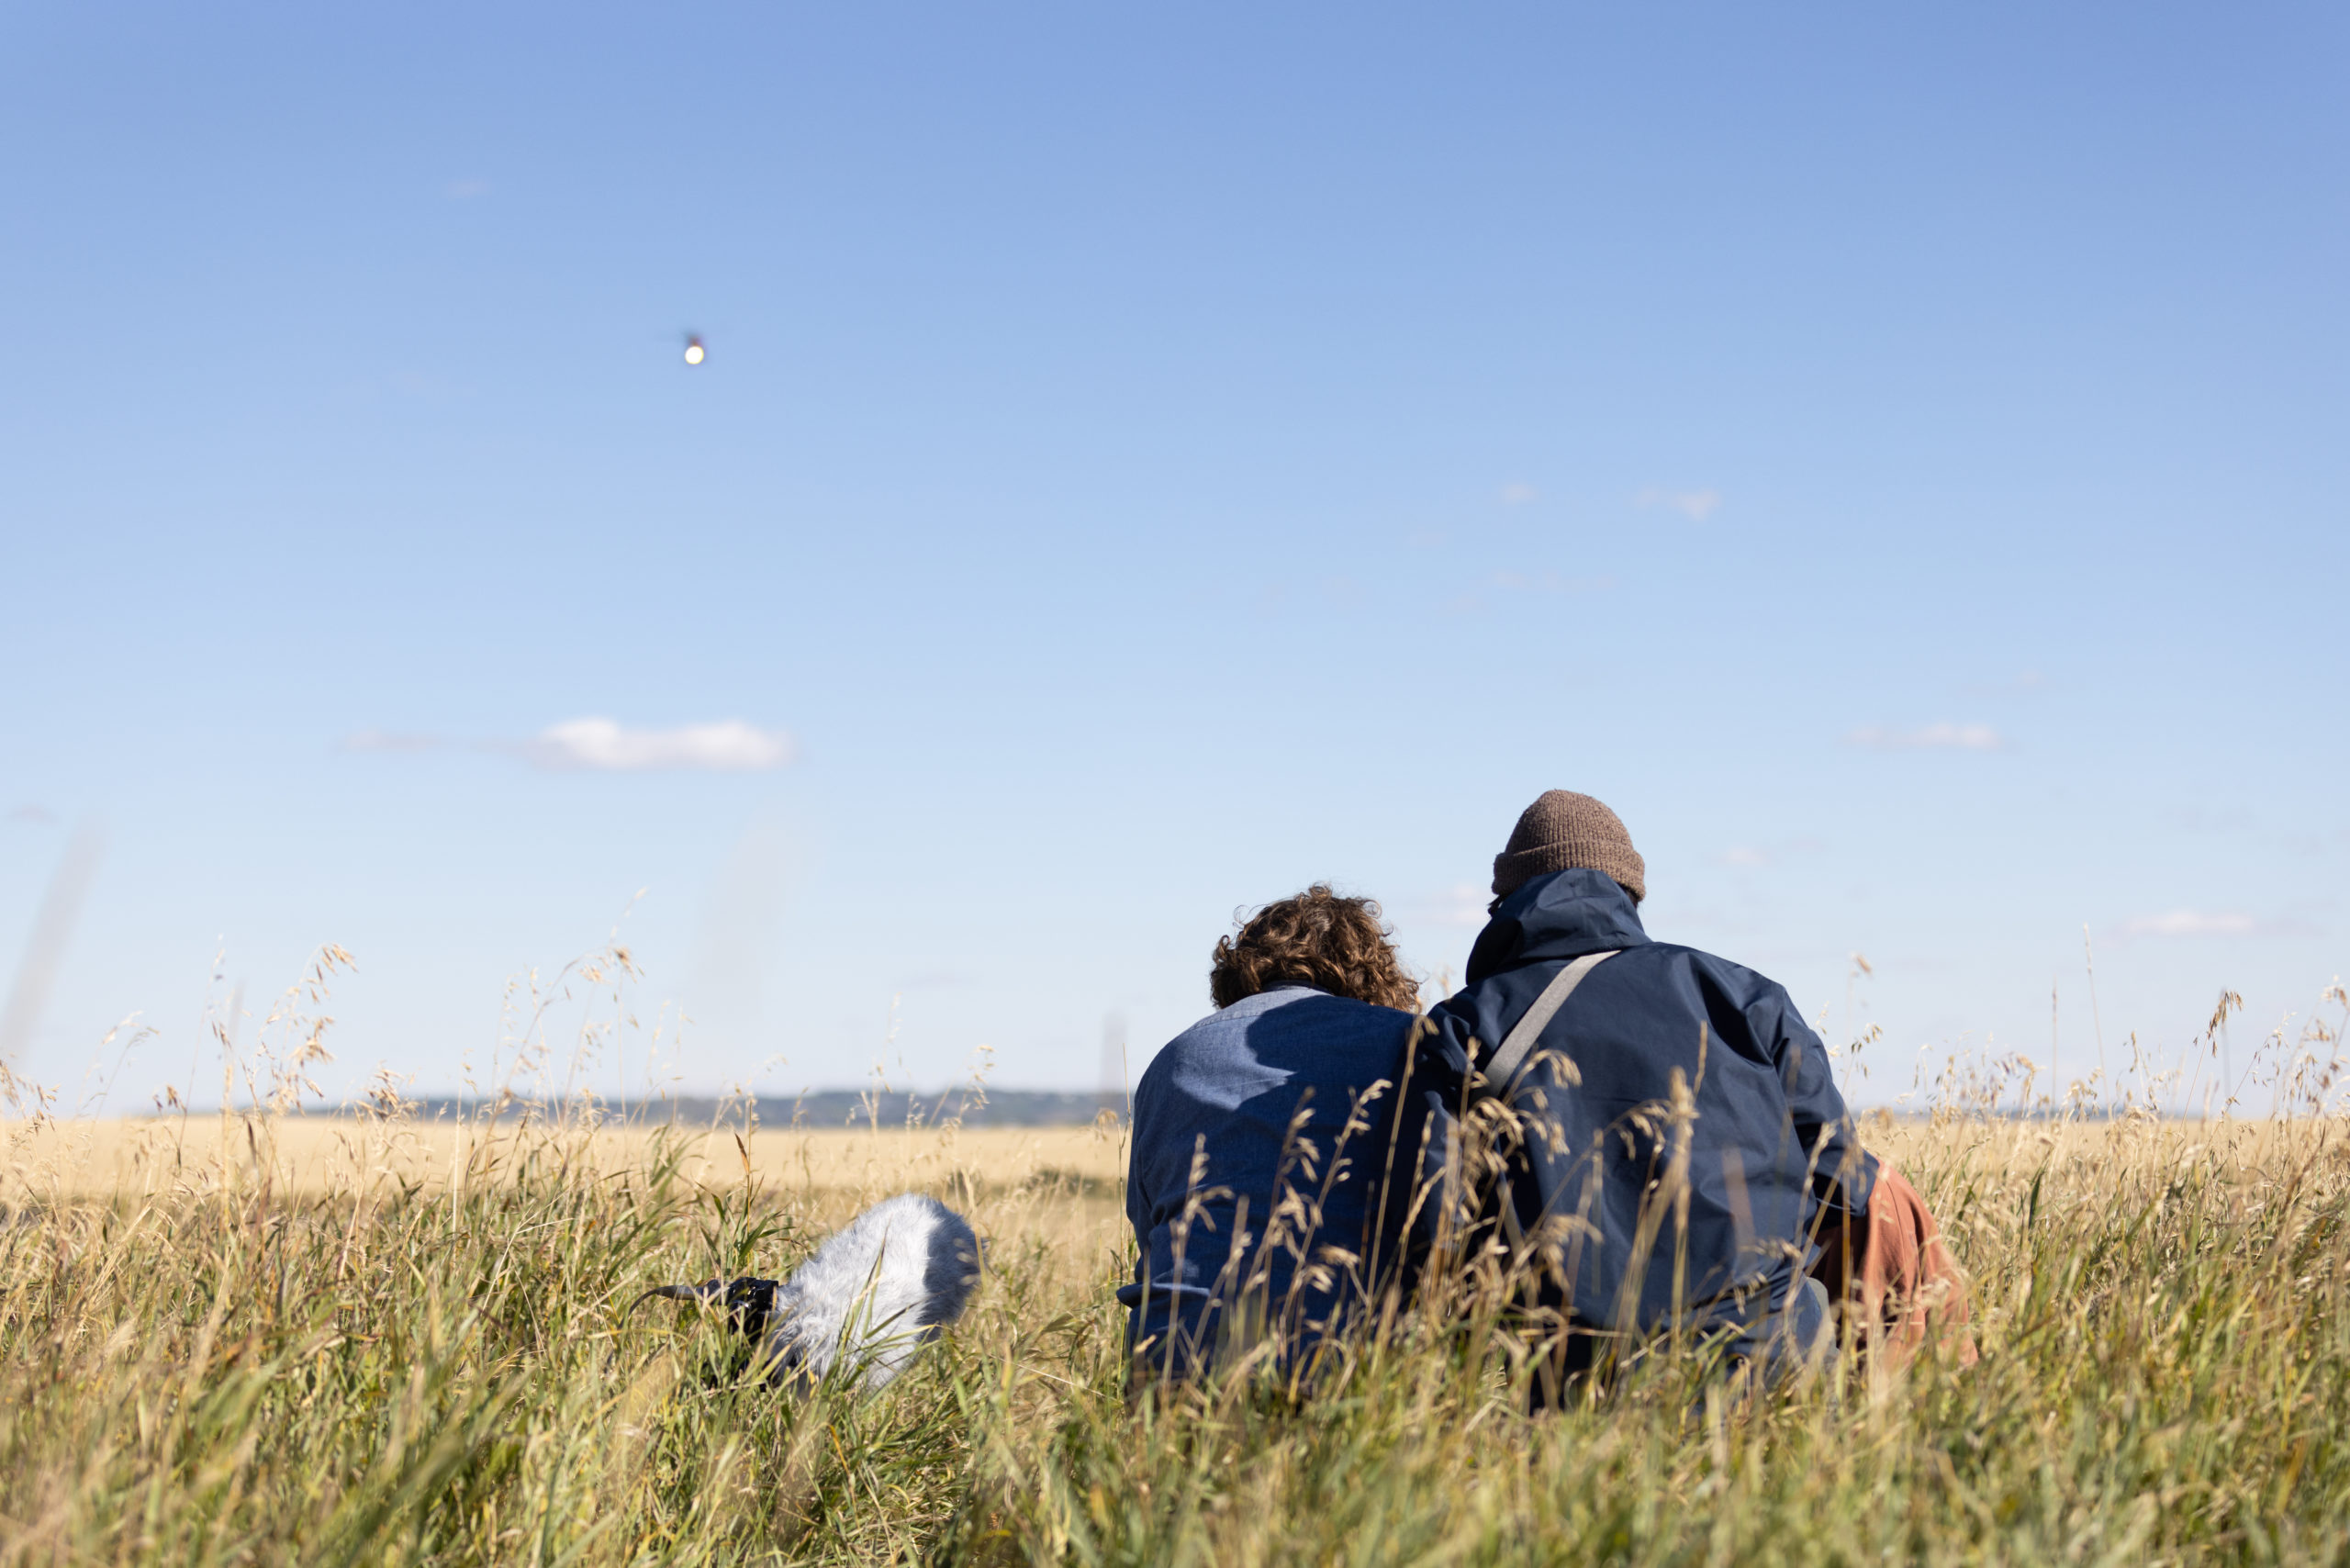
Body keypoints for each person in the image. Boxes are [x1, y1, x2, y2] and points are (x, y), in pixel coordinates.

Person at [1406, 790, 1966, 1388]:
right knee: (1887, 1192)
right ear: (1631, 894)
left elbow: (1431, 1231)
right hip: (1772, 1367)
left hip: (1573, 1388)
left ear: (1506, 901)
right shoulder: (1746, 998)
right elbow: (1848, 1185)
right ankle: (1932, 1424)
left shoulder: (1462, 1027)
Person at [1120, 885, 1423, 1386]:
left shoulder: (1175, 1058)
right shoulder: (1406, 1044)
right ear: (1373, 973)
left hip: (1175, 1366)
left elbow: (1150, 1230)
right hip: (1350, 1371)